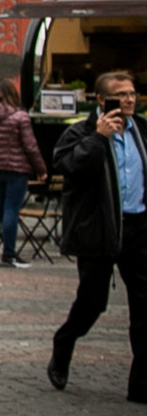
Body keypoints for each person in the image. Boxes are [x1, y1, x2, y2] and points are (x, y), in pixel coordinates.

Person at [48, 71, 147, 399]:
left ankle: (140, 387)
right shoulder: (81, 132)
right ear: (102, 101)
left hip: (138, 229)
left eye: (133, 93)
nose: (130, 100)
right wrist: (98, 139)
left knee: (144, 307)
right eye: (122, 95)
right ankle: (64, 343)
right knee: (93, 303)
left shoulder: (142, 131)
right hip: (99, 231)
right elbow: (67, 167)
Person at [0, 80, 46, 268]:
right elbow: (30, 146)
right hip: (16, 168)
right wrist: (41, 169)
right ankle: (8, 254)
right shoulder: (20, 117)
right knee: (11, 210)